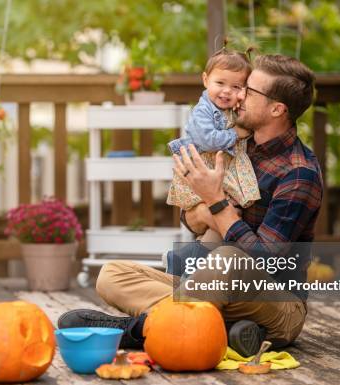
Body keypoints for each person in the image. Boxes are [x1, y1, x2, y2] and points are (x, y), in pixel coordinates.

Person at [59, 54, 323, 357]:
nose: (237, 95)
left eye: (248, 91)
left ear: (277, 109)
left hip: (278, 304)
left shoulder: (298, 173)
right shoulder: (233, 143)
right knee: (113, 274)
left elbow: (263, 259)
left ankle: (135, 330)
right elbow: (192, 221)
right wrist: (202, 209)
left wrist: (215, 201)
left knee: (226, 261)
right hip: (211, 286)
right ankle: (227, 330)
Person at [164, 45, 260, 276]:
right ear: (206, 80)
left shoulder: (233, 108)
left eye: (236, 86)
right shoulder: (202, 111)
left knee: (226, 218)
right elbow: (207, 141)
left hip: (224, 171)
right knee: (226, 215)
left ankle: (187, 264)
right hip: (206, 169)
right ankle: (189, 266)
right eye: (220, 83)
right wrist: (235, 134)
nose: (227, 91)